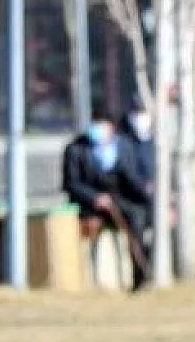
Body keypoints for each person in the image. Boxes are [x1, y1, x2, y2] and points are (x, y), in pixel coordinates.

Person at [60, 109, 152, 289]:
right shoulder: (75, 149)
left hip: (120, 200)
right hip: (89, 204)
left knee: (138, 218)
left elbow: (133, 180)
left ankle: (139, 275)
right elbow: (71, 183)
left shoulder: (124, 147)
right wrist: (95, 198)